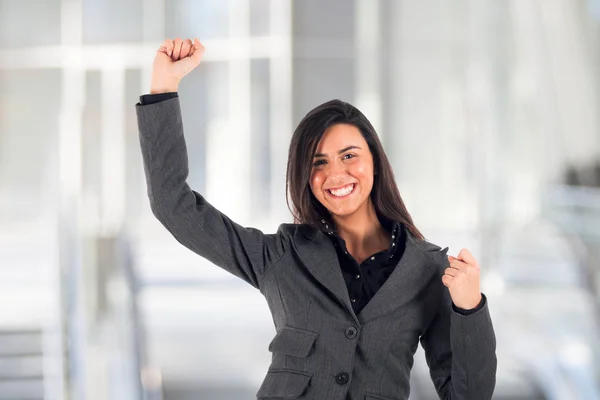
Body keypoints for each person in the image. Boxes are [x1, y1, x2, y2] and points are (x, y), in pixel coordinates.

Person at [135, 37, 497, 400]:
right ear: (306, 177)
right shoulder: (281, 256)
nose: (336, 174)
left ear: (374, 160)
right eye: (318, 163)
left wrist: (470, 307)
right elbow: (174, 206)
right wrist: (163, 90)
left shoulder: (426, 270)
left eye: (349, 156)